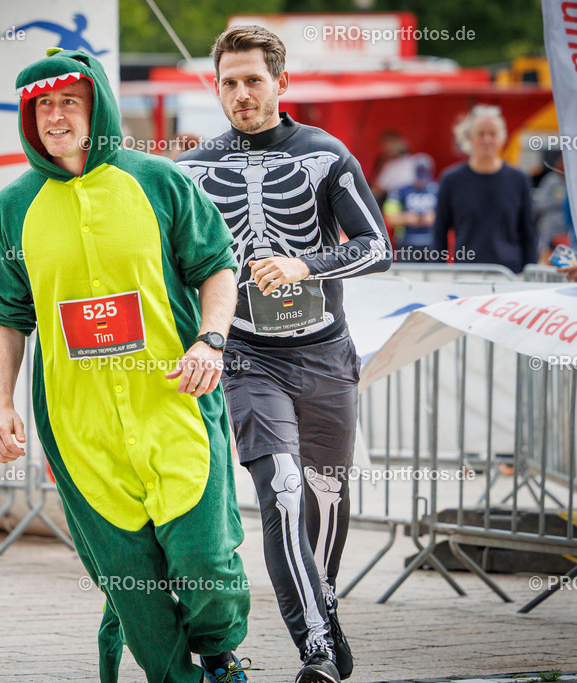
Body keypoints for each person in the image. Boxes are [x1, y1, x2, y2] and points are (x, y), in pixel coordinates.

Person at [0, 48, 252, 683]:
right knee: (133, 586)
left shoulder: (160, 181)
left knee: (205, 560)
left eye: (68, 101)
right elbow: (2, 313)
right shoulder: (11, 207)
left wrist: (210, 340)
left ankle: (218, 653)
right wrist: (1, 404)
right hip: (80, 430)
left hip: (174, 406)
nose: (54, 115)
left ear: (96, 104)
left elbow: (216, 266)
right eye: (42, 104)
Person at [177, 25, 392, 683]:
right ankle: (316, 651)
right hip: (247, 359)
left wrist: (307, 262)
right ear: (217, 88)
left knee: (326, 497)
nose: (240, 94)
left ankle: (323, 618)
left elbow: (378, 246)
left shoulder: (324, 155)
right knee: (282, 490)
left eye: (252, 81)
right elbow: (171, 264)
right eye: (229, 82)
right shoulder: (191, 171)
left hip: (325, 354)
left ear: (281, 84)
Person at [431, 105, 537, 273]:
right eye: (481, 134)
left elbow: (529, 233)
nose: (487, 140)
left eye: (493, 134)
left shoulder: (519, 180)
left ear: (502, 137)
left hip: (510, 275)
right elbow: (439, 233)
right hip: (466, 275)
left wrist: (529, 274)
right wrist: (437, 273)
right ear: (469, 138)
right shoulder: (451, 180)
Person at [383, 159, 439, 263]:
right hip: (406, 242)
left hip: (431, 243)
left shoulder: (437, 190)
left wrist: (433, 218)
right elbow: (388, 218)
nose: (421, 181)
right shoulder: (400, 191)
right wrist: (406, 218)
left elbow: (450, 217)